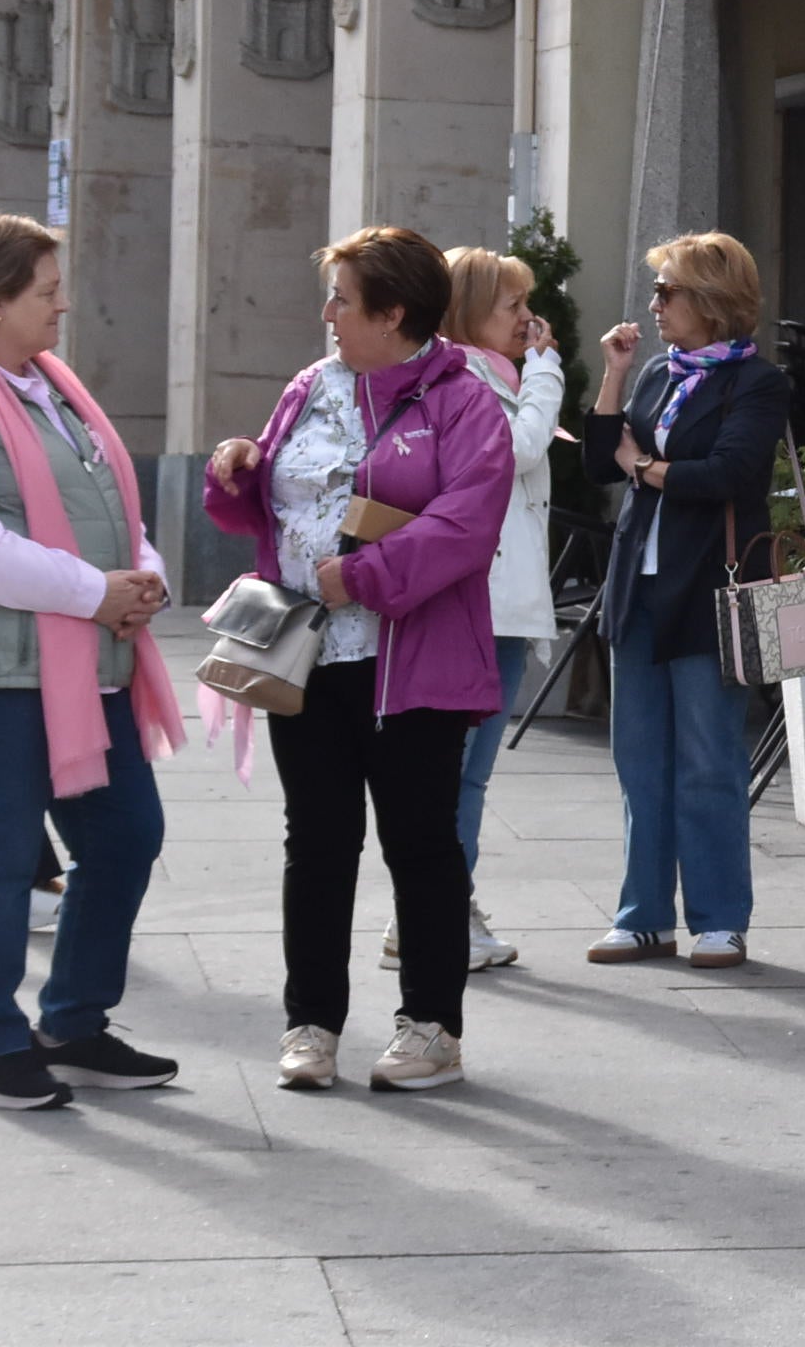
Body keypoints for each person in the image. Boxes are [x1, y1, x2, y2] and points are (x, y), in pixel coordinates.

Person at [206, 227, 513, 1094]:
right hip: (304, 654)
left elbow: (467, 525)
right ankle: (310, 1025)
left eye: (343, 299)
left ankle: (432, 1030)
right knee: (318, 845)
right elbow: (266, 504)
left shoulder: (463, 399)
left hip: (412, 663)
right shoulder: (311, 385)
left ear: (393, 313)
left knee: (420, 846)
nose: (327, 313)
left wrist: (365, 577)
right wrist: (238, 470)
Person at [0, 215, 179, 1110]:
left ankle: (71, 1019)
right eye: (45, 290)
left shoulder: (56, 387)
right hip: (8, 674)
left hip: (91, 666)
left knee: (126, 836)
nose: (65, 302)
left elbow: (117, 502)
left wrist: (146, 578)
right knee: (0, 859)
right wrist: (91, 591)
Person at [581, 233, 789, 970]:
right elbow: (595, 458)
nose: (655, 305)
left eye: (668, 292)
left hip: (708, 591)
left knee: (708, 761)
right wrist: (615, 374)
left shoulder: (757, 383)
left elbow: (731, 473)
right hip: (637, 588)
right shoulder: (657, 377)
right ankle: (641, 916)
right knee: (638, 760)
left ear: (710, 300)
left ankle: (719, 917)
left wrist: (649, 468)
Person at [430, 247, 563, 971]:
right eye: (511, 305)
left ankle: (439, 909)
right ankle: (442, 916)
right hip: (483, 605)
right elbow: (515, 450)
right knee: (462, 775)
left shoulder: (482, 375)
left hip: (494, 603)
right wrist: (547, 374)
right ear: (469, 312)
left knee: (462, 773)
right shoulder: (468, 379)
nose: (527, 319)